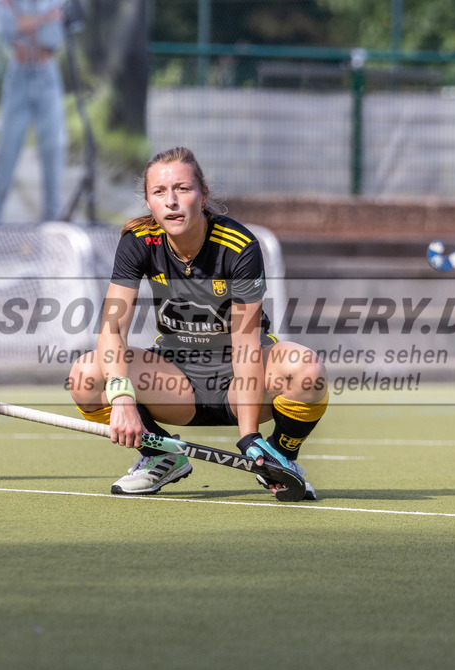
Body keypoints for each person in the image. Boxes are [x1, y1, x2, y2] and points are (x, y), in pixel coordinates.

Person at [66, 147, 329, 499]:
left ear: (203, 195)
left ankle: (280, 457)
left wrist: (249, 436)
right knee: (86, 375)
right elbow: (112, 330)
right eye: (159, 192)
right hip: (177, 380)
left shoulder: (240, 246)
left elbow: (247, 345)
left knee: (306, 369)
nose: (171, 201)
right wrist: (123, 398)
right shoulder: (138, 242)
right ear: (148, 201)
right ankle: (161, 456)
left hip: (243, 380)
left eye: (183, 189)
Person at [0, 0, 66, 223]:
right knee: (7, 153)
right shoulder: (8, 3)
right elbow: (9, 27)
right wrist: (45, 18)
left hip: (47, 76)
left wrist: (25, 24)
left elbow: (52, 38)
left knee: (52, 152)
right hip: (18, 76)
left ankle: (53, 225)